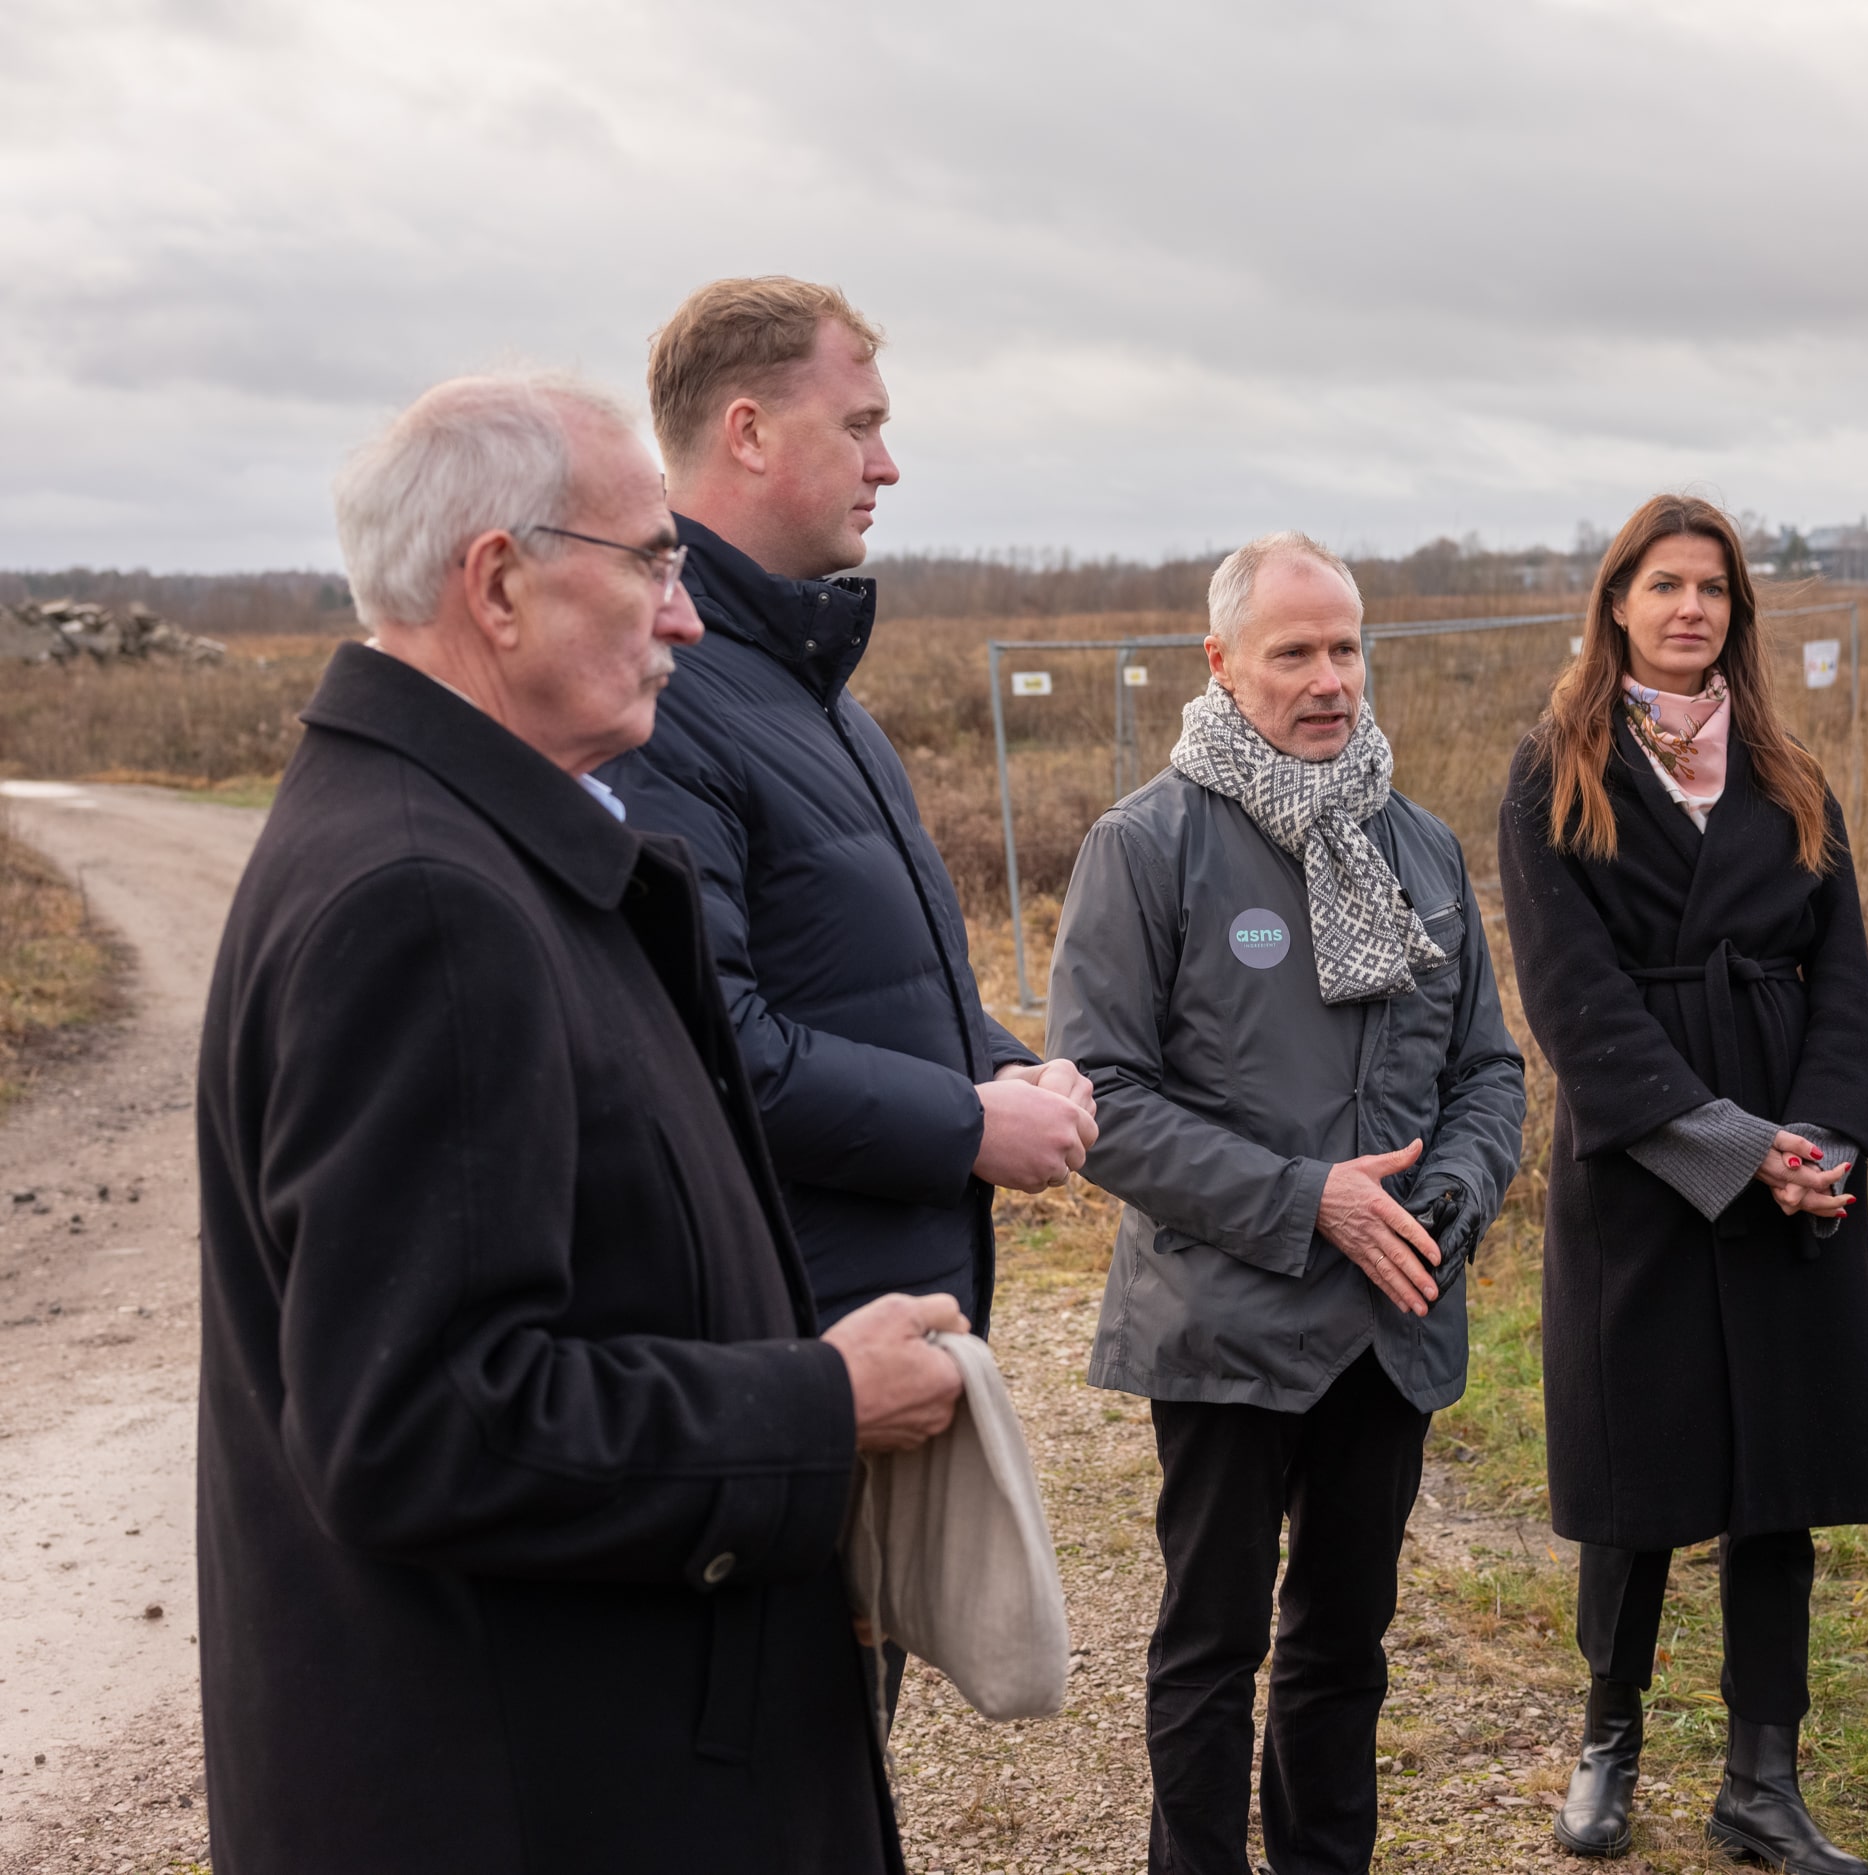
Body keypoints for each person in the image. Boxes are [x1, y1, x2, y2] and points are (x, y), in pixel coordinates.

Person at [195, 373, 968, 1872]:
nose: (685, 617)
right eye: (655, 562)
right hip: (537, 1791)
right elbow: (422, 1424)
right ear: (499, 582)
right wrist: (817, 1406)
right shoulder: (422, 899)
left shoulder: (463, 839)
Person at [1048, 532, 1525, 1875]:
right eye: (1295, 652)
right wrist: (1308, 1199)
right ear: (1220, 662)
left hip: (1391, 1315)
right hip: (1222, 1324)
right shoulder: (1146, 847)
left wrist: (1444, 1202)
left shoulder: (1420, 847)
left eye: (1346, 647)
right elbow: (1103, 1100)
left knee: (1341, 1642)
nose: (1330, 680)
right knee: (1212, 1642)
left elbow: (1489, 1070)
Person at [1498, 495, 1868, 1875]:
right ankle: (1608, 1739)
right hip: (1647, 1168)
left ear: (1738, 609)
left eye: (1714, 588)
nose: (1691, 608)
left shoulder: (1789, 770)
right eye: (1664, 584)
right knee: (1639, 1474)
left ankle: (1762, 1778)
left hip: (1803, 1162)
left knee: (1777, 1477)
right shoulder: (1554, 767)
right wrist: (1732, 1149)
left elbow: (1845, 977)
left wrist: (1824, 1138)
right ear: (1616, 600)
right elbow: (1573, 998)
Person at [598, 275, 1097, 1341]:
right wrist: (967, 1124)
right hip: (797, 1344)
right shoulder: (663, 701)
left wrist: (1004, 1064)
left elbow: (867, 989)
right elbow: (701, 1042)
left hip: (895, 1318)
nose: (887, 464)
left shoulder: (819, 697)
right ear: (749, 433)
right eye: (859, 426)